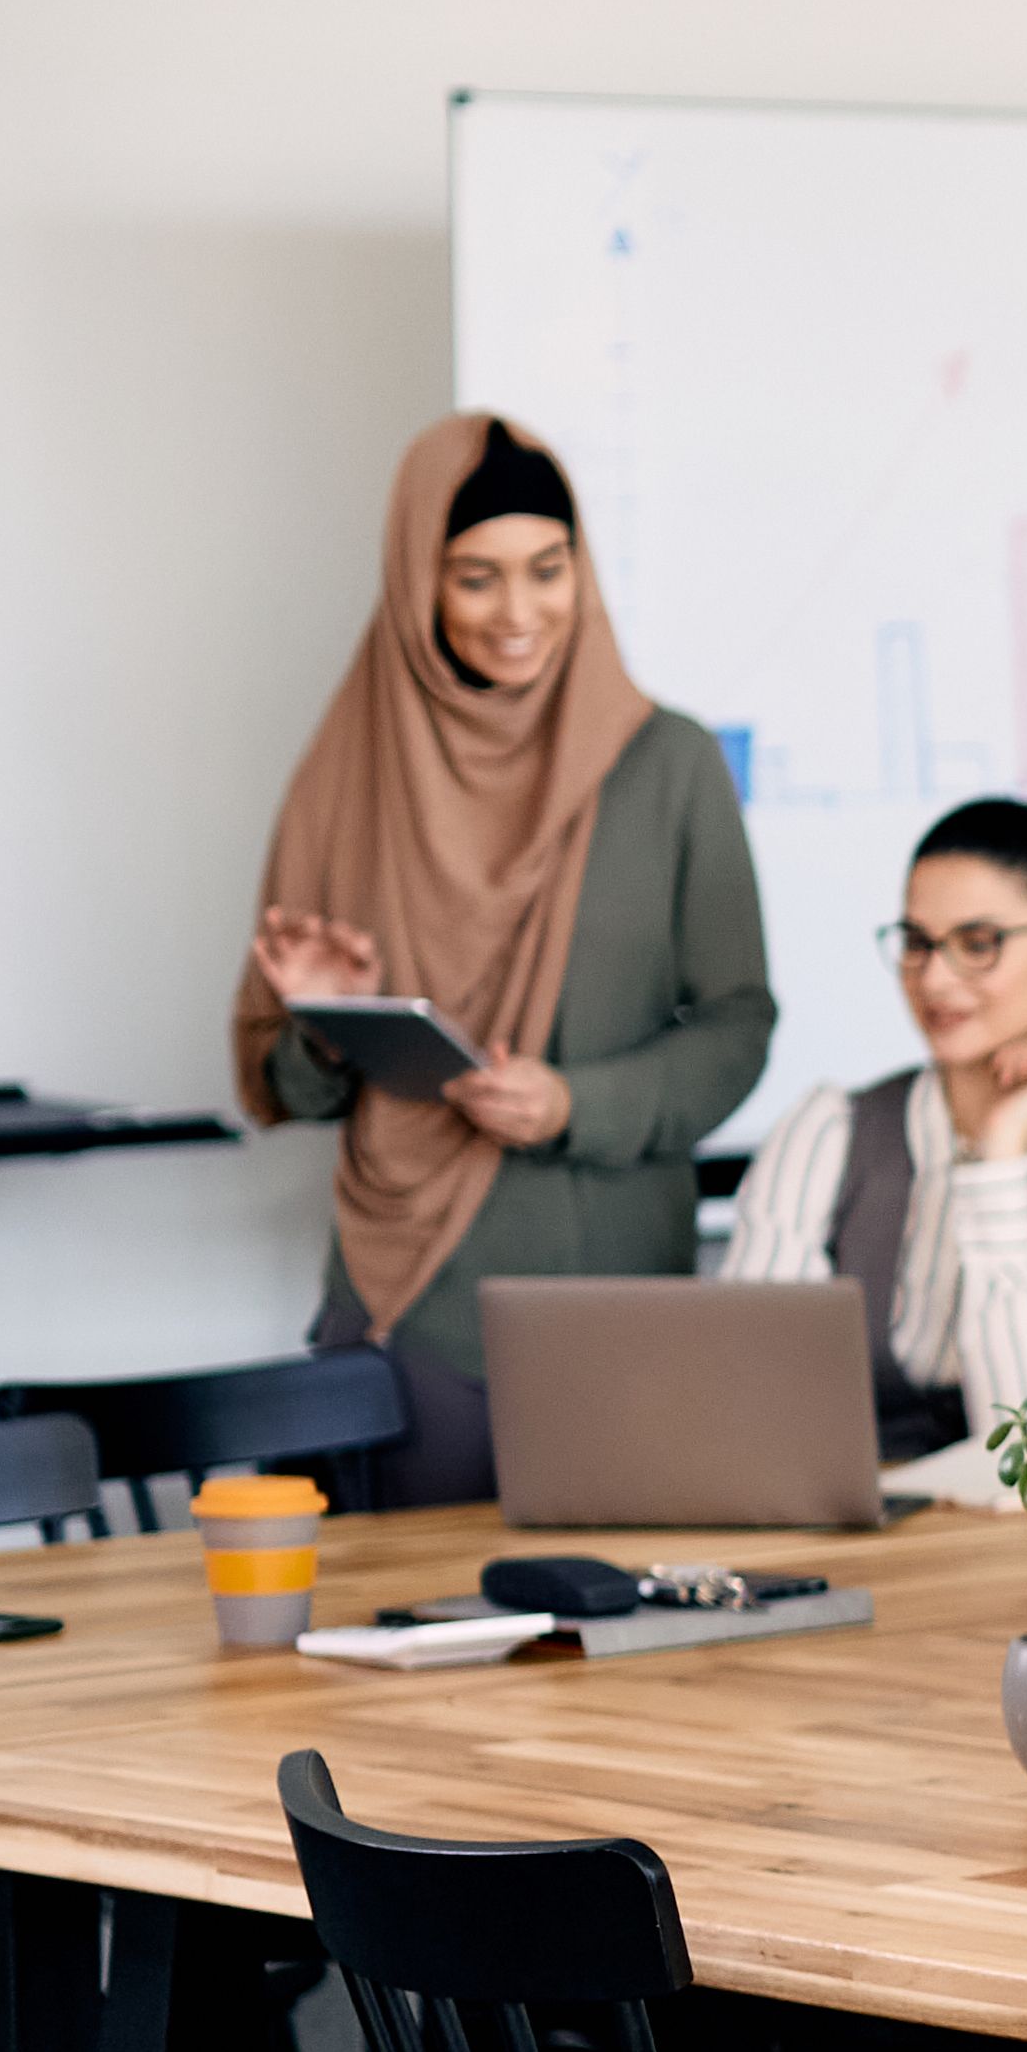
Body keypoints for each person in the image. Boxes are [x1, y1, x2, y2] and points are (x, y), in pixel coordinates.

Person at [232, 414, 772, 1504]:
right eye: (476, 578)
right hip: (407, 1311)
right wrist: (328, 1022)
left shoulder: (666, 763)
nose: (518, 613)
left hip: (614, 1308)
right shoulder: (349, 772)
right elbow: (279, 1087)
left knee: (612, 1655)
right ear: (417, 580)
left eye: (547, 569)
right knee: (399, 1656)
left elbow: (737, 1024)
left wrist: (578, 1099)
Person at [717, 792, 1027, 1490]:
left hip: (1016, 1559)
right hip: (827, 1540)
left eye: (978, 944)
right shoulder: (829, 1131)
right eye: (918, 943)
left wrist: (998, 1169)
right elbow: (747, 1404)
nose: (935, 979)